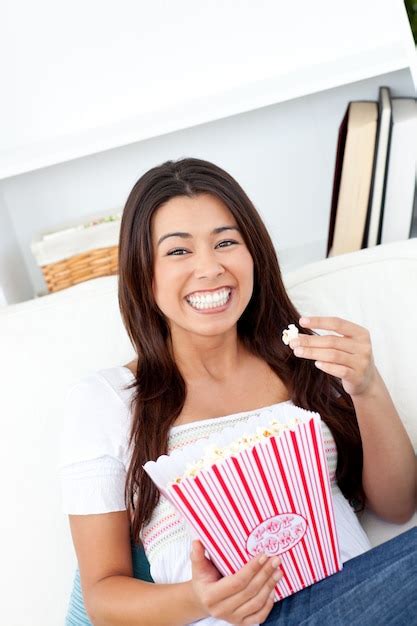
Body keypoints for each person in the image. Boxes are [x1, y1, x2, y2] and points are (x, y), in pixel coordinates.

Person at [59, 157, 417, 626]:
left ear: (254, 254)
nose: (209, 268)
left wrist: (367, 388)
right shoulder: (108, 399)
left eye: (226, 242)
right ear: (143, 273)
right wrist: (202, 598)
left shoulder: (304, 356)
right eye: (178, 251)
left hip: (354, 595)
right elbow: (103, 598)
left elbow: (397, 506)